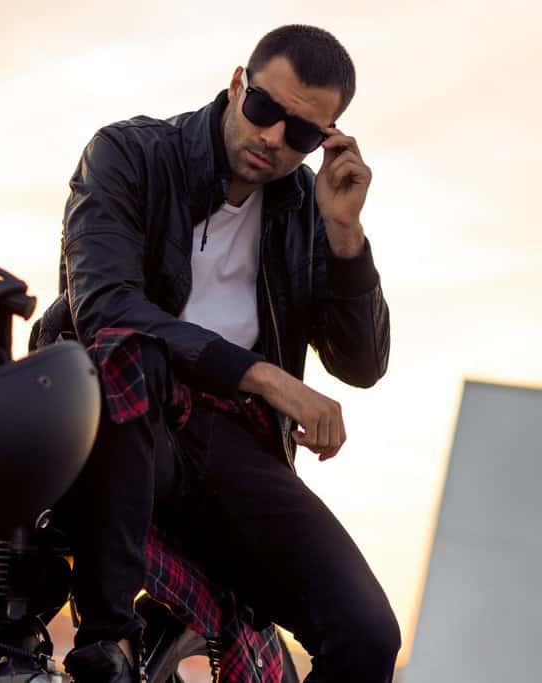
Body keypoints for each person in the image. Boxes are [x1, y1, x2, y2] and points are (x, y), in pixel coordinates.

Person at [32, 24, 400, 683]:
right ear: (237, 85)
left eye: (303, 133)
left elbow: (362, 362)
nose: (273, 138)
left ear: (326, 139)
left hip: (232, 446)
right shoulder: (131, 153)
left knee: (368, 635)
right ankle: (105, 643)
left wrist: (346, 233)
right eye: (264, 109)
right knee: (133, 354)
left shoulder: (306, 212)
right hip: (115, 415)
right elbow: (105, 309)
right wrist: (263, 377)